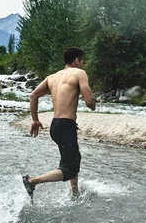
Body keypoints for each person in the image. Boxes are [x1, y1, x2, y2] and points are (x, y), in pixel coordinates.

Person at [22, 47, 96, 202]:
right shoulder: (80, 73)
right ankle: (32, 181)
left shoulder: (52, 77)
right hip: (66, 126)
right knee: (69, 168)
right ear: (77, 60)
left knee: (74, 158)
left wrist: (35, 120)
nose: (83, 64)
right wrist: (93, 101)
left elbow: (33, 95)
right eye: (82, 61)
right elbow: (90, 103)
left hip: (55, 126)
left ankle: (75, 194)